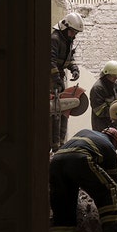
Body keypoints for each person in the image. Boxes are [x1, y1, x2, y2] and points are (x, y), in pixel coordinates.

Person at [49, 127, 117, 232]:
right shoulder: (109, 147)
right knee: (109, 190)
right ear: (115, 141)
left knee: (64, 205)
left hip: (56, 162)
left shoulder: (86, 133)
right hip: (79, 159)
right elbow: (114, 183)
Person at [50, 12, 85, 151]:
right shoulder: (55, 38)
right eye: (72, 32)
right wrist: (56, 79)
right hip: (51, 78)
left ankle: (61, 143)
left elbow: (68, 59)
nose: (74, 35)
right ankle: (53, 145)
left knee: (63, 110)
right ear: (64, 27)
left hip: (59, 76)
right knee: (54, 111)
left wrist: (74, 68)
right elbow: (50, 61)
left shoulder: (67, 40)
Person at [90, 60, 117, 132]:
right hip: (102, 128)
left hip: (115, 125)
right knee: (104, 143)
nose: (116, 77)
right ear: (107, 74)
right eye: (113, 75)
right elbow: (99, 111)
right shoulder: (98, 88)